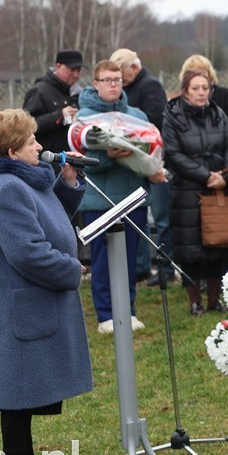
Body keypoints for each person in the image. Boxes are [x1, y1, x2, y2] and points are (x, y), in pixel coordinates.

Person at [0, 109, 91, 455]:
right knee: (15, 395)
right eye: (31, 142)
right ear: (11, 151)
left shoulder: (22, 180)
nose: (40, 146)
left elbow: (47, 222)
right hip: (15, 307)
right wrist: (72, 270)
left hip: (22, 305)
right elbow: (28, 253)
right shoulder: (8, 188)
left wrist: (68, 184)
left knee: (20, 395)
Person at [77, 60, 164, 333]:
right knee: (102, 259)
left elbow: (151, 145)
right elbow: (83, 159)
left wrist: (152, 164)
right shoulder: (84, 118)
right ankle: (105, 315)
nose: (113, 84)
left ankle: (129, 310)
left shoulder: (136, 114)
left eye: (117, 79)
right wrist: (107, 156)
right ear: (96, 84)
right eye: (107, 80)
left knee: (130, 258)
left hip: (132, 195)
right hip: (100, 199)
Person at [163, 69, 228, 316]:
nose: (201, 93)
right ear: (185, 91)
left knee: (219, 246)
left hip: (220, 189)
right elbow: (174, 154)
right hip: (188, 191)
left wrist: (227, 175)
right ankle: (194, 300)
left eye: (205, 88)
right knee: (190, 250)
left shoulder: (218, 114)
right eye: (196, 88)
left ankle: (214, 298)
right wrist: (205, 175)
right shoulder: (173, 115)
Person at [109, 48, 173, 286]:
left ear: (134, 67)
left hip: (155, 159)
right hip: (137, 159)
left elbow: (153, 121)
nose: (120, 81)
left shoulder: (151, 87)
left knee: (161, 217)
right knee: (142, 217)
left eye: (121, 74)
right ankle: (143, 267)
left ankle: (166, 269)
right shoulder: (130, 88)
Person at [22, 50, 83, 152]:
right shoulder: (40, 91)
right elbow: (26, 126)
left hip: (71, 158)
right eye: (72, 69)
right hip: (46, 159)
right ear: (58, 66)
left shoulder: (78, 93)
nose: (76, 75)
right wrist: (60, 116)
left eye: (79, 70)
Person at [178, 54, 228, 138]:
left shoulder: (225, 95)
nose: (199, 77)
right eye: (193, 74)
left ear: (210, 75)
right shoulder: (180, 104)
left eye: (202, 73)